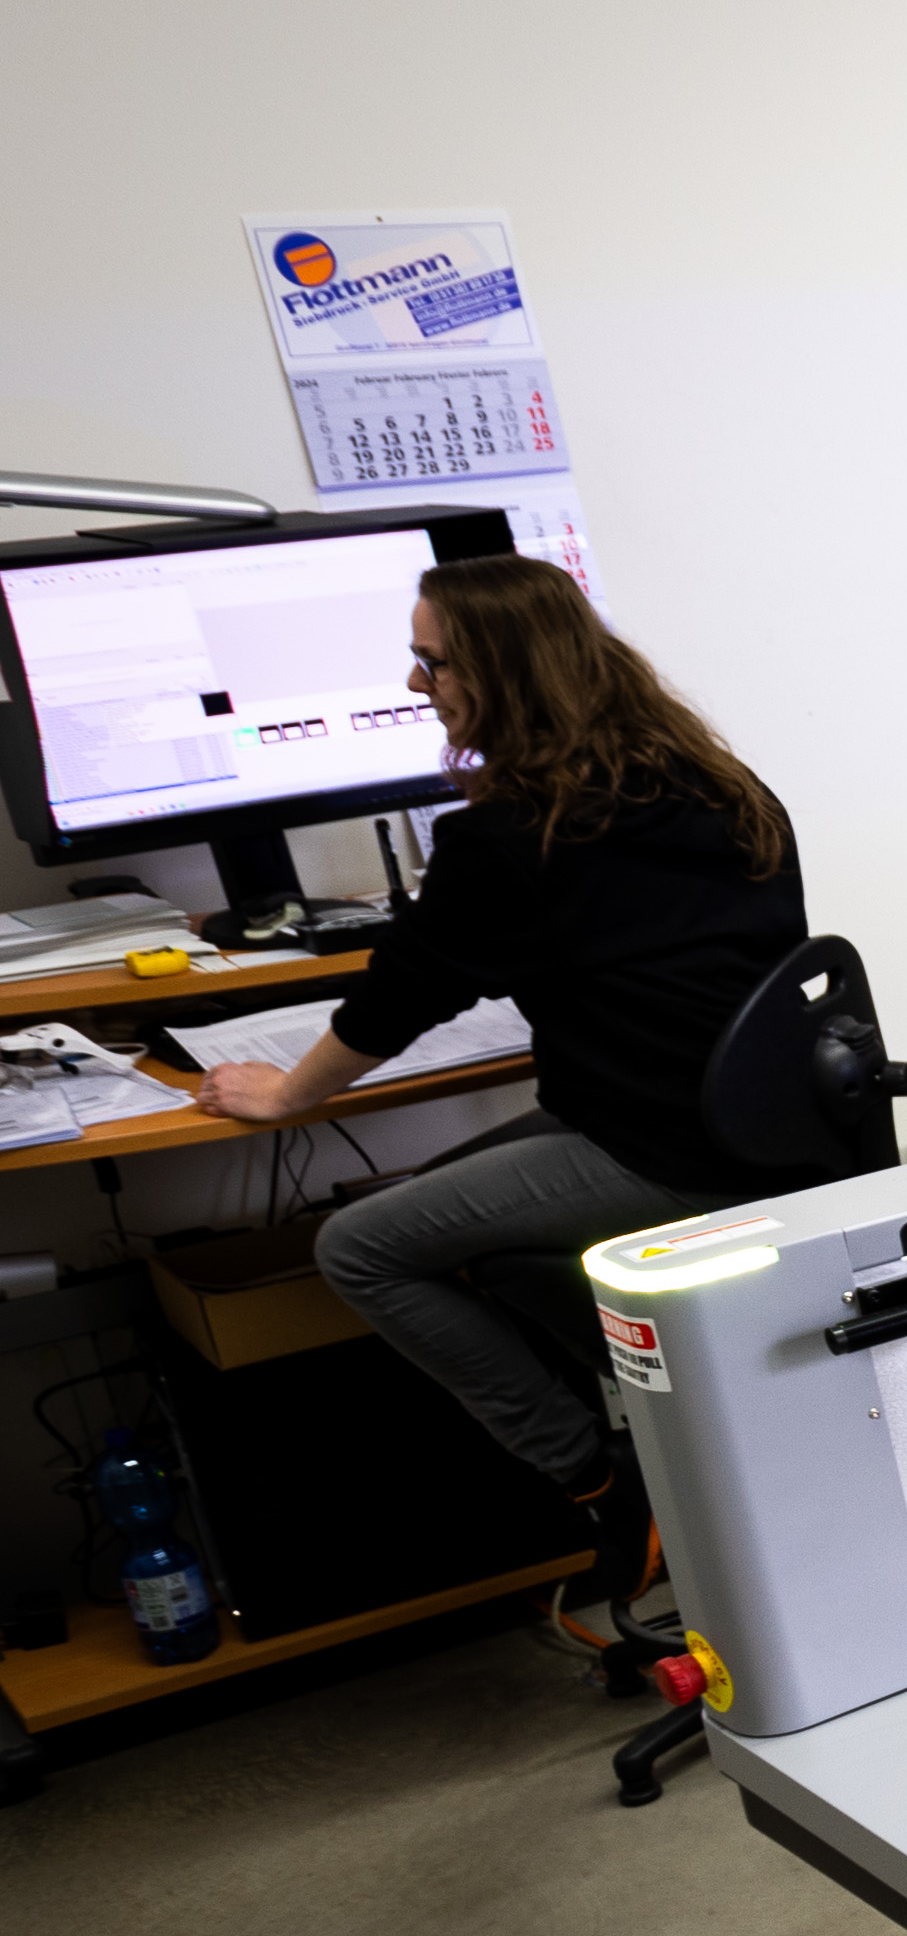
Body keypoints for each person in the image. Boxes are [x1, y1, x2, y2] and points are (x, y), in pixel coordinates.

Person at [192, 553, 809, 1593]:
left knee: (361, 1245)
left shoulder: (512, 836)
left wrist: (288, 1093)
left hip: (662, 1151)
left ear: (506, 674)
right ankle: (683, 1423)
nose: (415, 683)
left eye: (433, 663)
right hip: (775, 1130)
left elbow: (402, 996)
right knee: (442, 1205)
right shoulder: (724, 786)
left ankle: (598, 1477)